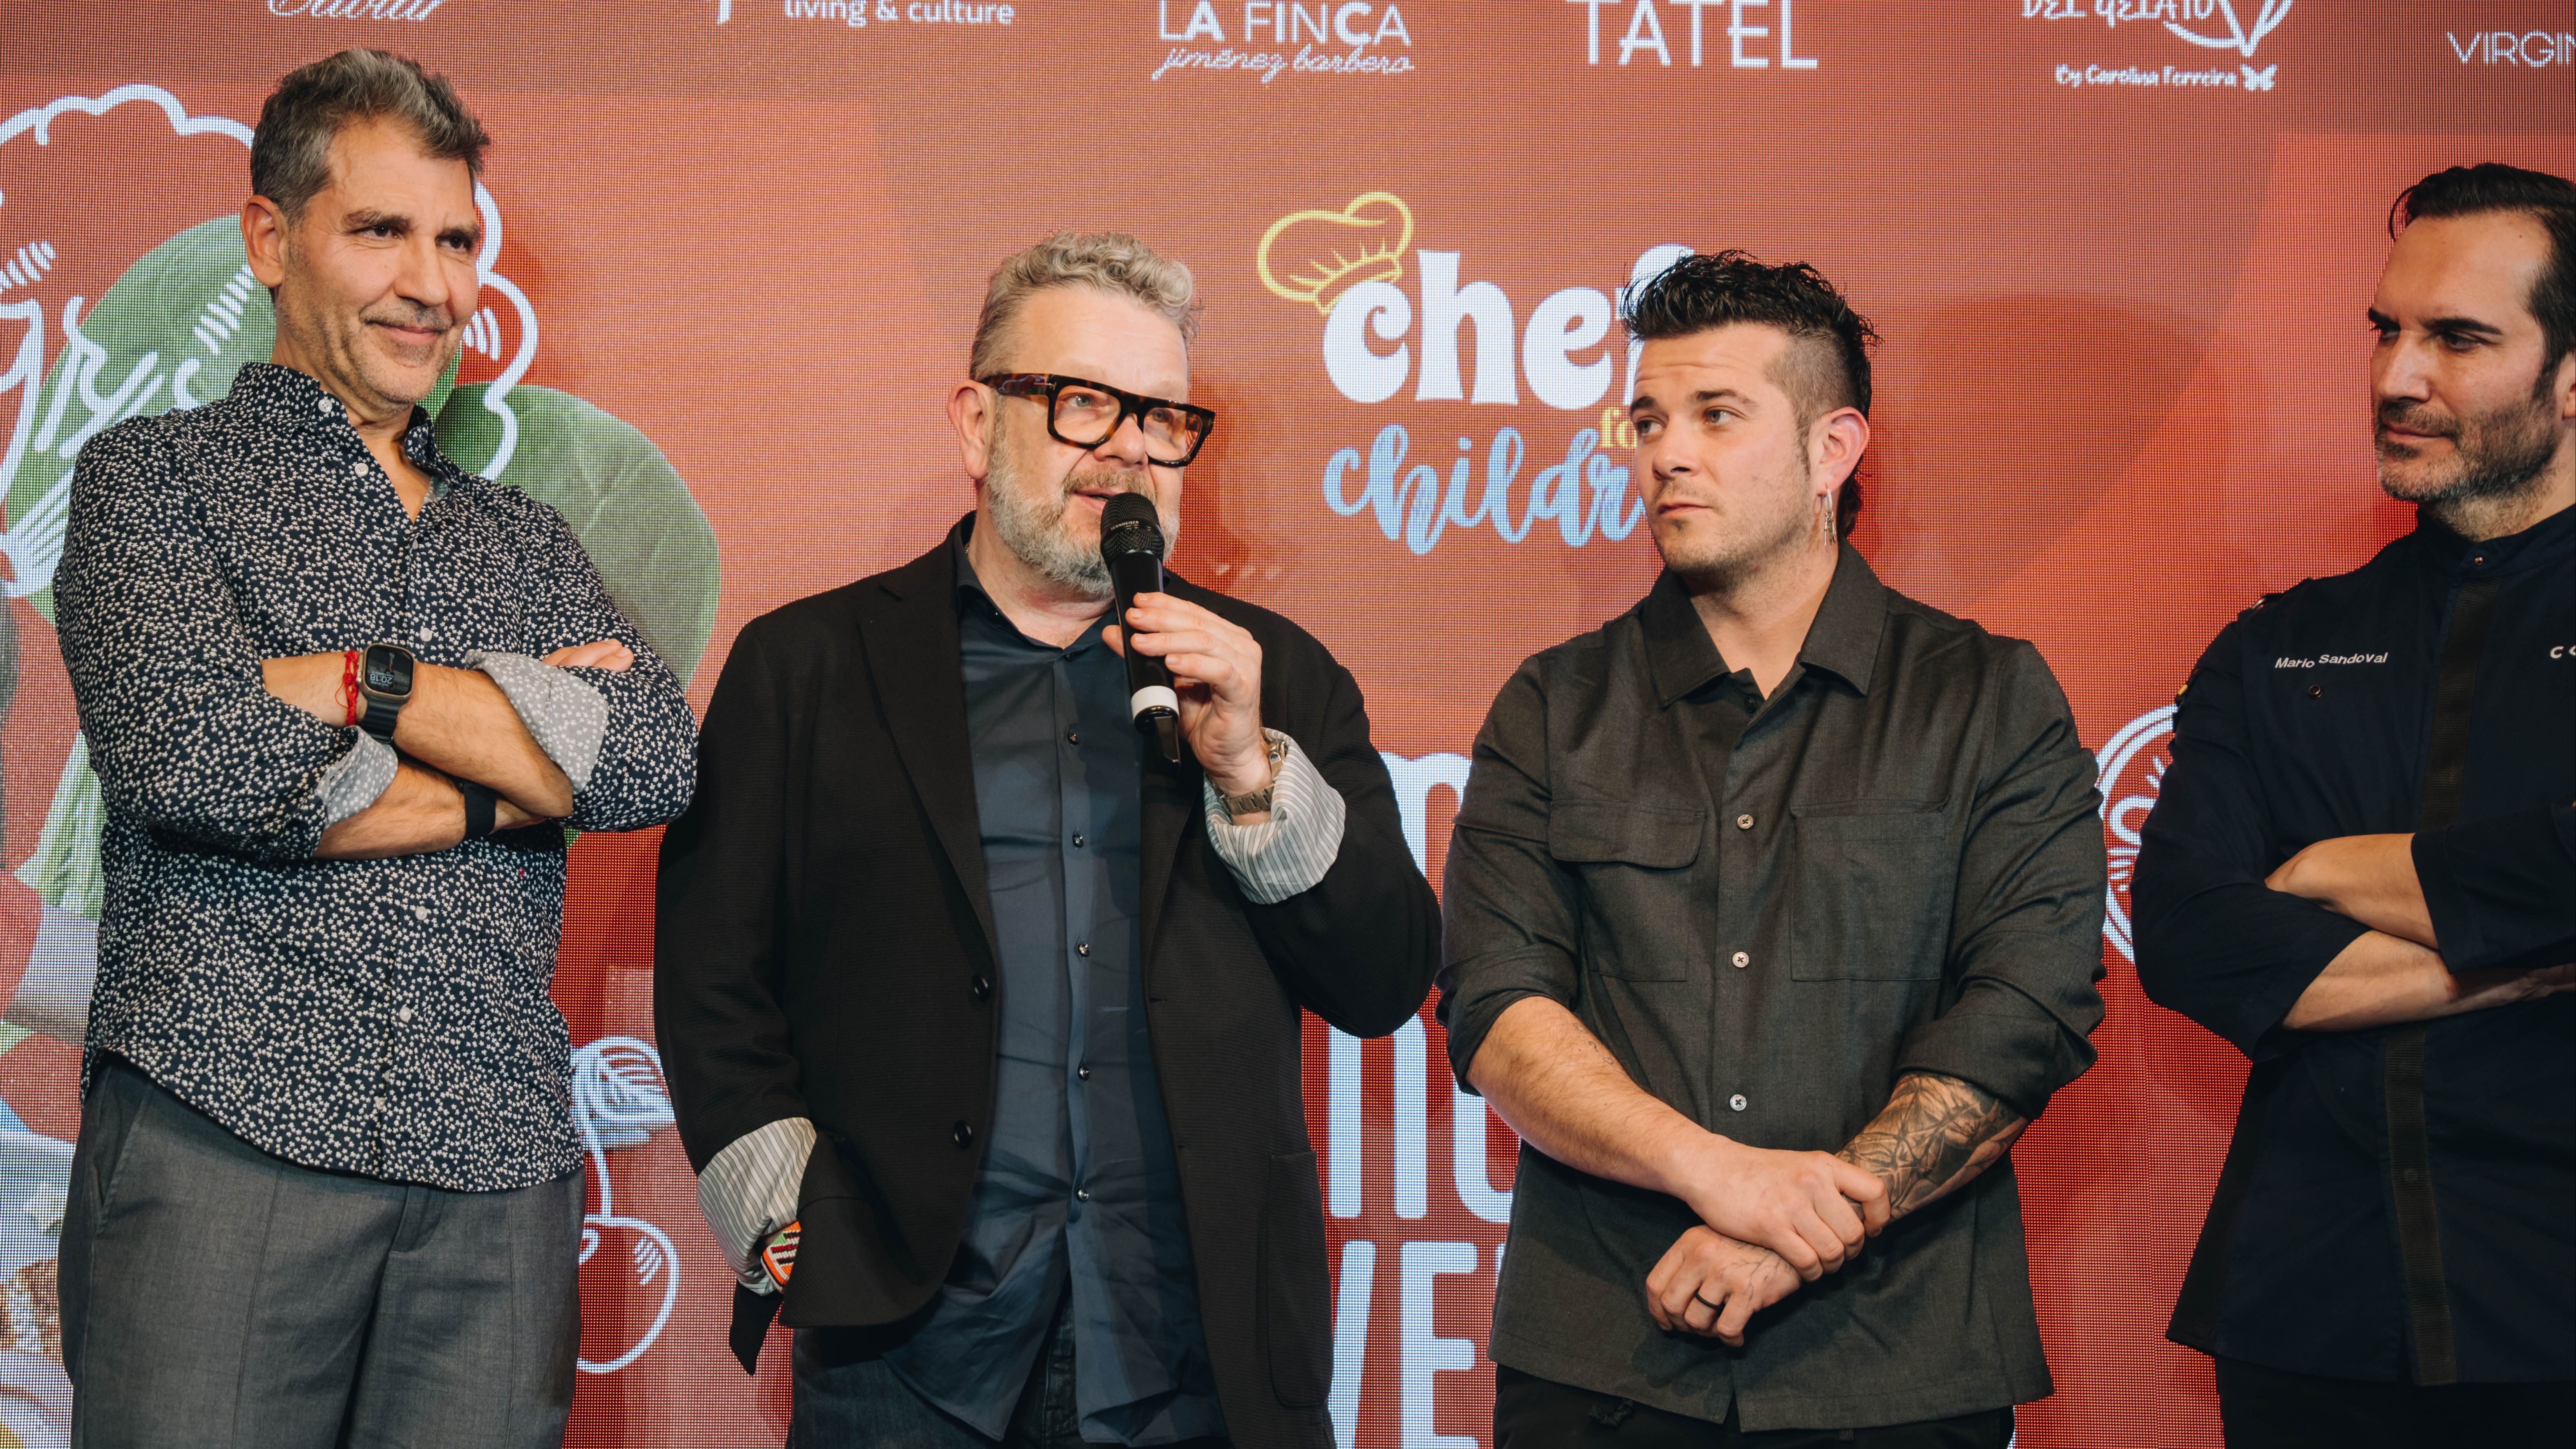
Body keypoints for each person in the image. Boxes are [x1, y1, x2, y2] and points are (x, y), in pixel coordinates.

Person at [655, 231, 1440, 1448]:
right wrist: (792, 1225)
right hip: (906, 1358)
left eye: (1164, 416)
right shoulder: (806, 667)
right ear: (976, 424)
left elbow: (1384, 977)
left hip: (1201, 1358)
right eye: (1084, 405)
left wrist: (1248, 770)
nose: (1129, 446)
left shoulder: (1273, 674)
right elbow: (714, 990)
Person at [48, 49, 699, 1448]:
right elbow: (202, 759)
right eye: (382, 231)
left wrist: (361, 679)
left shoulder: (524, 539)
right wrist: (518, 783)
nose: (433, 283)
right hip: (225, 1130)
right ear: (271, 241)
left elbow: (644, 757)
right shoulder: (151, 482)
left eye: (457, 239)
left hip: (494, 1169)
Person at [1437, 250, 2107, 1446]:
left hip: (1899, 1363)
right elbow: (1497, 1007)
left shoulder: (1987, 698)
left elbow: (2024, 1012)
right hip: (1603, 1357)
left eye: (1715, 414)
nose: (1665, 452)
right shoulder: (1553, 705)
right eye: (1647, 418)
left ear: (1833, 449)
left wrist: (1787, 1230)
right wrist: (1715, 1171)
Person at [2132, 162, 2576, 1446]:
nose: (2395, 377)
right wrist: (2521, 956)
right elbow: (2189, 932)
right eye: (2387, 329)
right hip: (2312, 1312)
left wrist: (2327, 865)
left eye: (2458, 338)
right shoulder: (2281, 644)